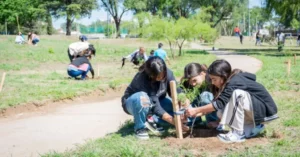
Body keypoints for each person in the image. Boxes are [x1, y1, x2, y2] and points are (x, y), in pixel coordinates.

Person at [186, 59, 278, 143]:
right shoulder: (228, 83)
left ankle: (237, 134)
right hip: (255, 112)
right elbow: (216, 105)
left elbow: (218, 104)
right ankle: (255, 126)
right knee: (220, 112)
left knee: (237, 94)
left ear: (223, 76)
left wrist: (196, 110)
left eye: (214, 79)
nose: (212, 82)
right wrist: (196, 114)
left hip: (266, 111)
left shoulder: (234, 81)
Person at [121, 56, 189, 139]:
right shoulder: (142, 78)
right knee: (142, 99)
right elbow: (155, 105)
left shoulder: (169, 74)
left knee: (174, 108)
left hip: (158, 101)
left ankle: (151, 119)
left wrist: (183, 99)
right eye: (156, 76)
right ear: (150, 74)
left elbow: (176, 91)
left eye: (161, 75)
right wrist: (174, 122)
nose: (159, 78)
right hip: (134, 102)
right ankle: (140, 128)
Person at [180, 63, 219, 128]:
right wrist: (185, 99)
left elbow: (218, 103)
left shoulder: (212, 80)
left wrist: (199, 112)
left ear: (202, 74)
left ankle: (212, 121)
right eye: (190, 81)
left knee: (205, 95)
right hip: (197, 103)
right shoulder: (188, 82)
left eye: (194, 80)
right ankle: (196, 122)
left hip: (213, 106)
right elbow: (180, 90)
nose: (193, 84)